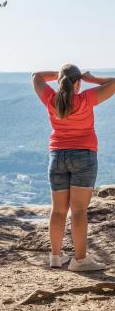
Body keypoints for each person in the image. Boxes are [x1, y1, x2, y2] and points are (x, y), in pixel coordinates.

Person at [32, 65, 115, 271]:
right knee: (78, 210)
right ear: (77, 83)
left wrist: (60, 75)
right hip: (84, 156)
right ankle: (79, 260)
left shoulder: (51, 99)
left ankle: (55, 257)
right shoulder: (85, 99)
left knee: (58, 210)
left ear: (60, 82)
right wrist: (91, 78)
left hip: (57, 156)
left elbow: (36, 76)